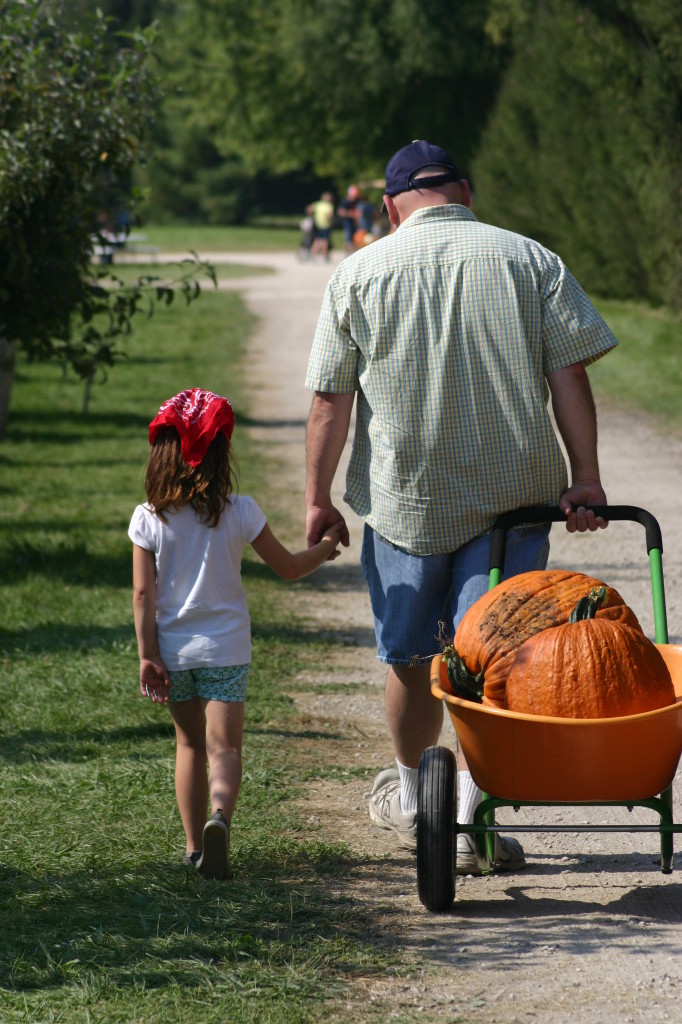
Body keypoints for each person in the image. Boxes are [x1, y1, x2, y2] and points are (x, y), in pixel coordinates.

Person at [304, 139, 618, 875]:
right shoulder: (531, 259)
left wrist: (318, 501)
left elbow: (329, 399)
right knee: (496, 659)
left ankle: (417, 797)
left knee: (411, 660)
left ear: (388, 207)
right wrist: (588, 477)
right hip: (515, 504)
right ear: (467, 193)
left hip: (405, 501)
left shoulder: (359, 271)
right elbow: (567, 371)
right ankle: (475, 808)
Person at [129, 388, 343, 879]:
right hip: (226, 649)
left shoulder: (148, 518)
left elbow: (143, 597)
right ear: (221, 451)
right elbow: (289, 567)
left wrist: (148, 656)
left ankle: (193, 849)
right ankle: (219, 817)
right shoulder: (239, 510)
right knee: (224, 748)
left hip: (174, 653)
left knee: (189, 745)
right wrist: (328, 544)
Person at [305, 191, 335, 261]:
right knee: (325, 241)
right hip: (326, 225)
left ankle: (313, 256)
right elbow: (329, 215)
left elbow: (309, 210)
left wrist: (311, 215)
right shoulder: (329, 206)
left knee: (317, 240)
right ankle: (323, 256)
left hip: (317, 225)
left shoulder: (318, 204)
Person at [337, 185, 360, 253]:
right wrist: (351, 214)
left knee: (353, 238)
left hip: (354, 222)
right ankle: (350, 253)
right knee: (348, 239)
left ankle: (349, 252)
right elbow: (340, 212)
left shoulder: (356, 201)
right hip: (347, 222)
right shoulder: (345, 202)